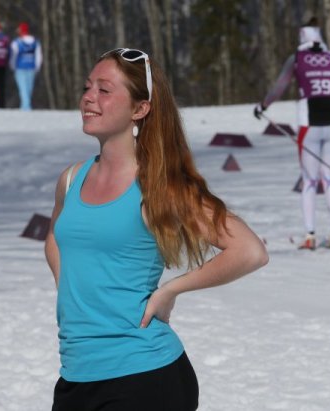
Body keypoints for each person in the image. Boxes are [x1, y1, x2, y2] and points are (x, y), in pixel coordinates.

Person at [45, 48, 268, 410]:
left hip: (144, 377)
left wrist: (171, 290)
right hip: (76, 376)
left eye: (104, 90)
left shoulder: (159, 186)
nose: (88, 97)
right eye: (88, 87)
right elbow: (56, 236)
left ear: (139, 109)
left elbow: (250, 251)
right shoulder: (71, 179)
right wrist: (69, 287)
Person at [253, 17, 330, 250]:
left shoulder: (297, 58)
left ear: (302, 36)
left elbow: (280, 87)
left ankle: (310, 236)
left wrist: (263, 106)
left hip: (309, 124)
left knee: (310, 181)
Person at [9, 22, 42, 110]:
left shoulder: (16, 42)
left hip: (20, 68)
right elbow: (38, 56)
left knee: (22, 88)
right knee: (29, 88)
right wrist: (37, 67)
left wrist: (12, 66)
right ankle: (25, 105)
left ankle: (26, 107)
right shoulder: (35, 41)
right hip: (31, 67)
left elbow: (13, 56)